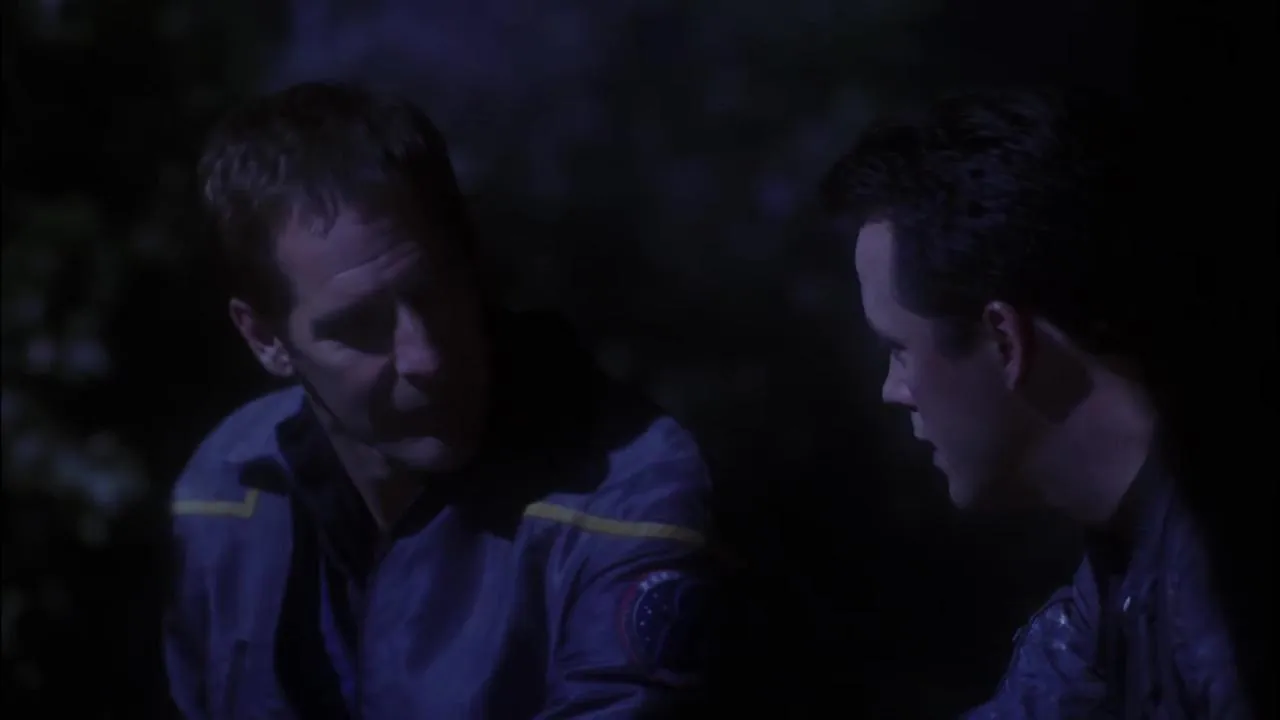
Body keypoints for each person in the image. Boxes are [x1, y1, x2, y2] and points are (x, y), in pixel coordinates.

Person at [163, 81, 716, 719]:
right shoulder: (224, 492)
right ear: (266, 339)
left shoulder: (627, 493)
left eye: (434, 290)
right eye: (361, 326)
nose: (424, 357)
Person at [822, 88, 1252, 718]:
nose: (893, 390)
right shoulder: (1114, 591)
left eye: (899, 350)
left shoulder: (1228, 591)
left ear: (1004, 340)